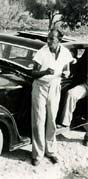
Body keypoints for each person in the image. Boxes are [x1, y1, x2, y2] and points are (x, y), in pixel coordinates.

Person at [31, 28, 74, 166]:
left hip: (55, 87)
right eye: (48, 38)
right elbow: (33, 73)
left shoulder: (65, 53)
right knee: (38, 121)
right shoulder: (42, 52)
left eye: (51, 39)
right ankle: (37, 155)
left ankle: (51, 152)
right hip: (40, 86)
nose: (48, 41)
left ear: (59, 40)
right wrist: (44, 72)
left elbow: (67, 69)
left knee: (52, 121)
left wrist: (66, 74)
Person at [59, 49, 88, 145]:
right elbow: (80, 65)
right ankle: (65, 122)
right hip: (85, 85)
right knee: (71, 94)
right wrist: (72, 61)